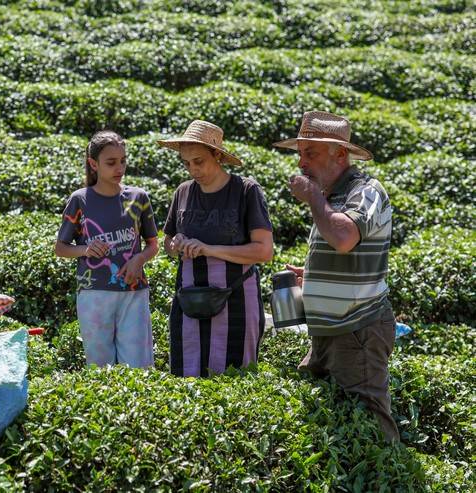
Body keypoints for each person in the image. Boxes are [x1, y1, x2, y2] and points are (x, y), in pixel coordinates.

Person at [273, 110, 399, 442]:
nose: (301, 162)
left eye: (310, 153)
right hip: (328, 329)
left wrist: (313, 197)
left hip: (357, 330)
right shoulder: (331, 197)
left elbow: (344, 238)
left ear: (340, 154)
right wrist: (312, 276)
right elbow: (343, 249)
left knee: (372, 426)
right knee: (318, 408)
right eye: (299, 153)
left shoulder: (366, 190)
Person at [159, 120, 274, 377]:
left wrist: (209, 249)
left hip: (236, 298)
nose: (192, 169)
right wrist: (176, 245)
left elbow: (264, 251)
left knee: (234, 376)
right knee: (186, 375)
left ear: (218, 155)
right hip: (189, 297)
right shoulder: (183, 192)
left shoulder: (245, 191)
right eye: (186, 163)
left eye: (198, 161)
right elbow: (167, 243)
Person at [55, 130, 159, 368]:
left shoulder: (138, 197)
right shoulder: (80, 200)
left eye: (123, 161)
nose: (119, 168)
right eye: (111, 162)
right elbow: (60, 248)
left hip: (134, 291)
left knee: (138, 367)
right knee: (100, 367)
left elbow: (153, 245)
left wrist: (139, 260)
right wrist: (85, 249)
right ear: (94, 164)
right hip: (94, 293)